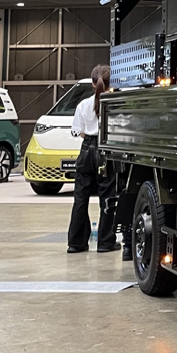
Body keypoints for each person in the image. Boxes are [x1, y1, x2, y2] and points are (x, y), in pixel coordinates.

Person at [65, 66, 121, 256]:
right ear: (111, 84)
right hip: (105, 151)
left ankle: (76, 243)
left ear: (92, 83)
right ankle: (105, 241)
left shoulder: (83, 104)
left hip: (86, 150)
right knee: (107, 199)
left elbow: (77, 131)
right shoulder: (116, 104)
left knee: (80, 199)